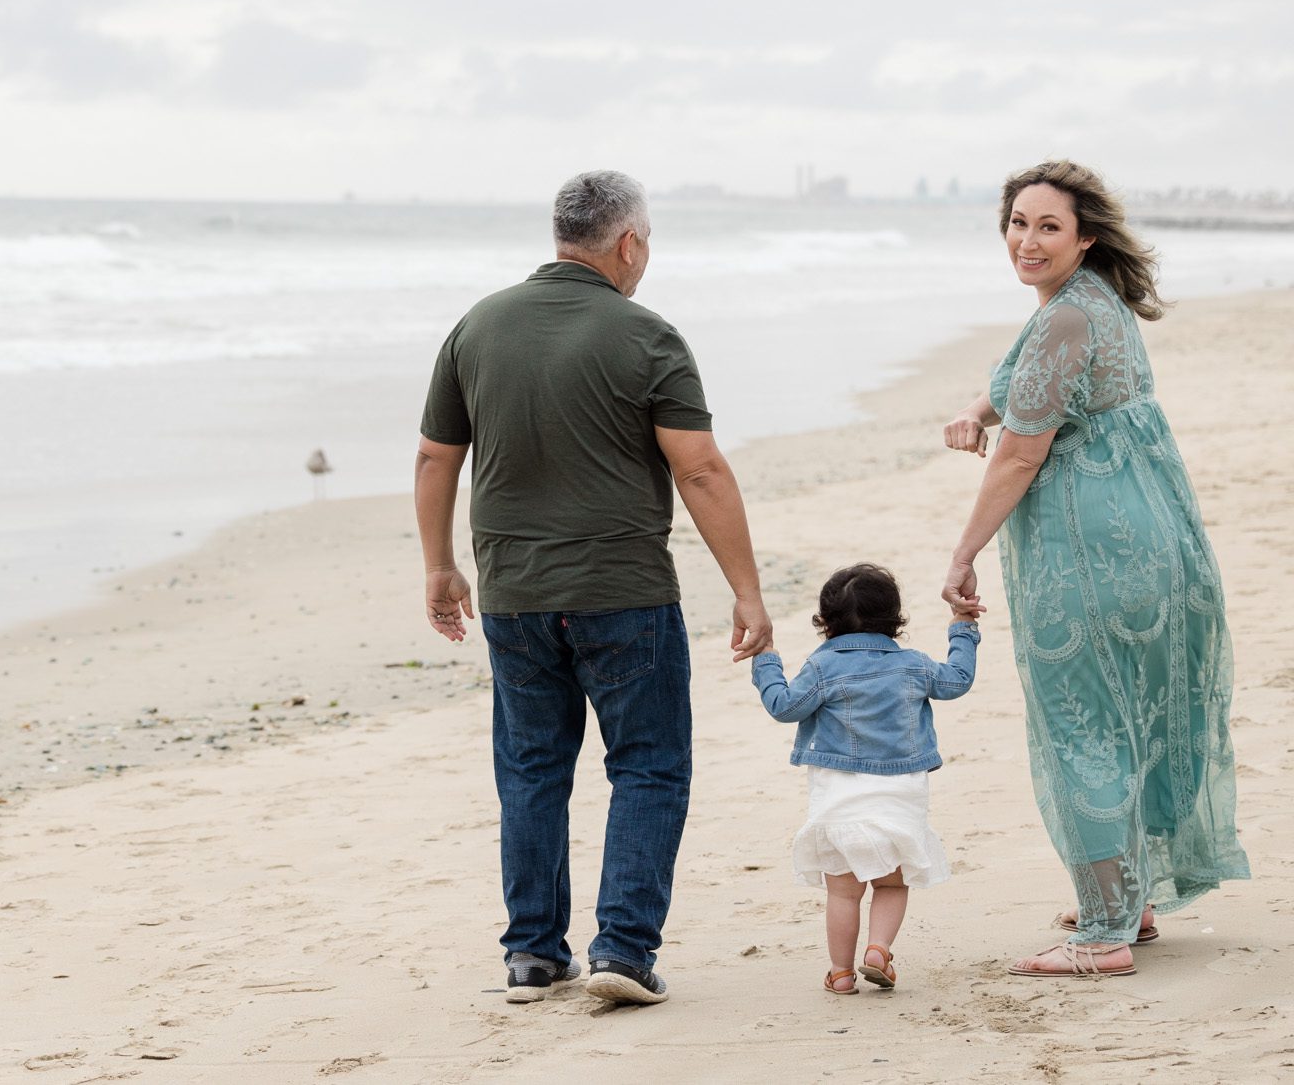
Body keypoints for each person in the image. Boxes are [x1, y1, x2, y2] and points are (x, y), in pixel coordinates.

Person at [414, 169, 773, 1008]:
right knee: (648, 764)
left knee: (532, 769)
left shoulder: (479, 326)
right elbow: (701, 468)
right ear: (629, 243)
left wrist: (439, 565)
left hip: (512, 593)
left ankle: (534, 956)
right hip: (625, 590)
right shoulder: (647, 335)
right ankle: (624, 950)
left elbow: (437, 456)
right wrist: (747, 591)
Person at [940, 160, 1249, 978]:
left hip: (1091, 553)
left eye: (1048, 226)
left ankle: (1105, 933)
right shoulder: (1089, 302)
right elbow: (1028, 388)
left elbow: (1018, 457)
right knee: (1133, 719)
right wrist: (977, 406)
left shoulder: (1063, 319)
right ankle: (1130, 899)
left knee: (1085, 726)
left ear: (1085, 235)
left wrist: (963, 551)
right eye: (1018, 223)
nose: (1028, 240)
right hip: (1155, 542)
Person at [750, 564, 979, 995]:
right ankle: (878, 949)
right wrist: (962, 628)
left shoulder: (822, 667)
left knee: (843, 893)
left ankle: (840, 974)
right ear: (896, 618)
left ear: (825, 621)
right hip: (899, 796)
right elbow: (958, 680)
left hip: (839, 799)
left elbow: (783, 706)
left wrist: (766, 660)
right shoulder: (913, 665)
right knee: (892, 884)